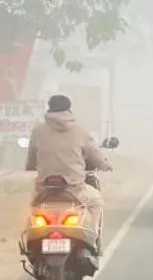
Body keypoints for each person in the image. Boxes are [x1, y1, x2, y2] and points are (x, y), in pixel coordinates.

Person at [26, 95, 112, 250]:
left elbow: (32, 156)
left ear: (49, 108)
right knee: (96, 201)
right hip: (75, 190)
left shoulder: (38, 131)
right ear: (69, 110)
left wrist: (31, 166)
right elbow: (95, 155)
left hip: (44, 191)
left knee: (33, 208)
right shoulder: (80, 132)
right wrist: (105, 165)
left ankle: (31, 245)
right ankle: (92, 240)